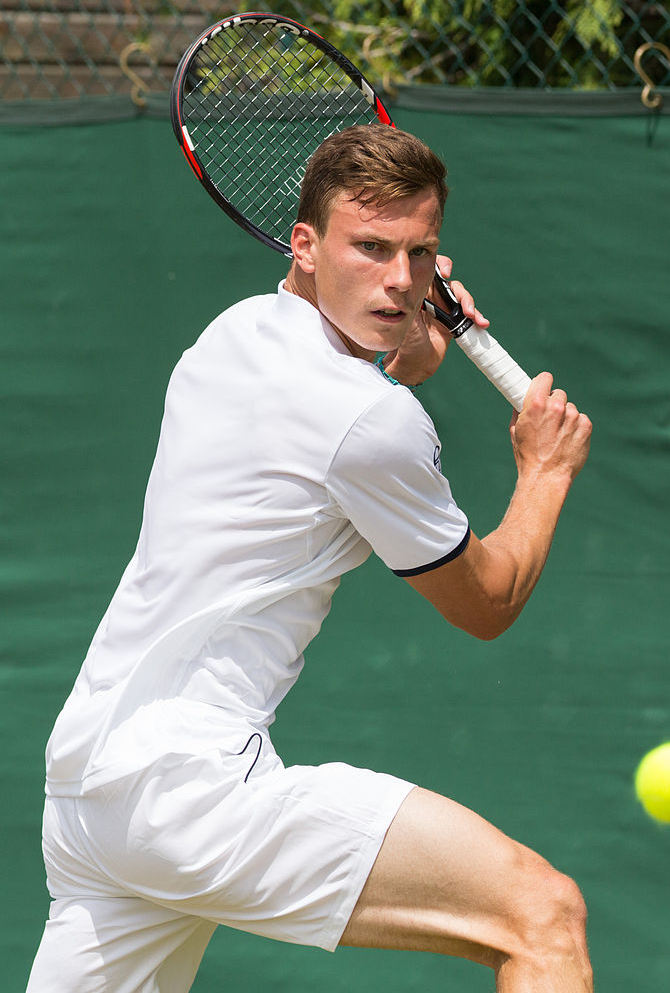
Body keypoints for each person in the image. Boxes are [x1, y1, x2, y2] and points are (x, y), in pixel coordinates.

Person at [27, 123, 593, 992]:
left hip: (89, 794)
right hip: (195, 793)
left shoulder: (232, 336)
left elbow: (337, 412)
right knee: (539, 916)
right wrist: (545, 473)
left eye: (420, 253)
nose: (400, 279)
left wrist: (405, 338)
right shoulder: (371, 423)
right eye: (370, 248)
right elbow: (488, 601)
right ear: (305, 245)